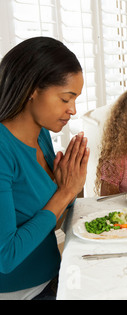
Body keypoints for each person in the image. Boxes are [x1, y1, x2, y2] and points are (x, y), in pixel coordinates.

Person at [0, 37, 89, 299]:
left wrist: (71, 191)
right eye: (65, 99)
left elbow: (57, 220)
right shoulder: (3, 150)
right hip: (22, 292)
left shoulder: (40, 135)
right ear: (32, 89)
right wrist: (64, 193)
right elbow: (6, 256)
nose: (72, 110)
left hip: (56, 276)